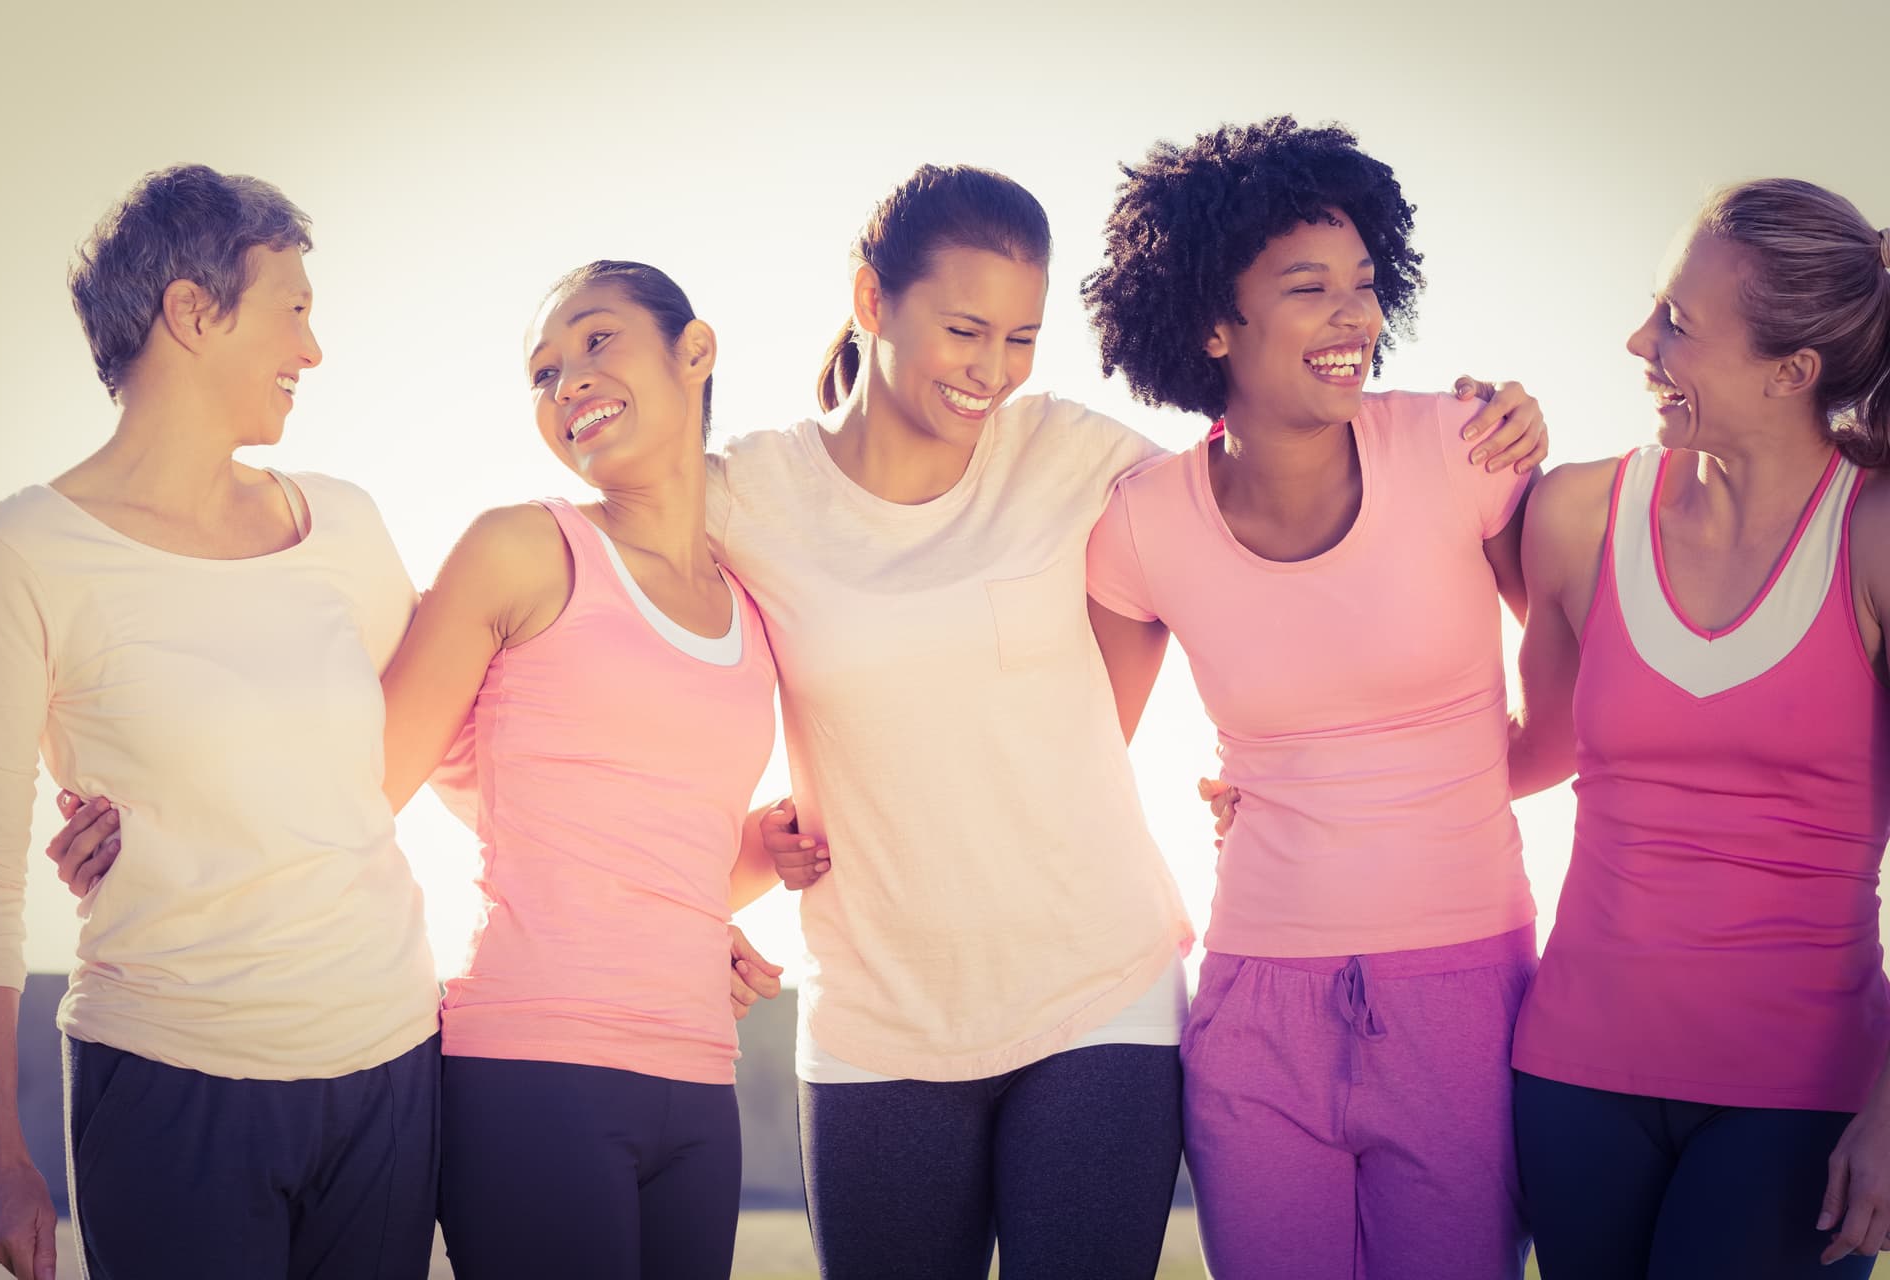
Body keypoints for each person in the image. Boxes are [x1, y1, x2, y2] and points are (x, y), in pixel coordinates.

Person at [736, 160, 1546, 1279]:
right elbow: (626, 667)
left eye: (1020, 338)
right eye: (966, 329)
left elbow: (1252, 561)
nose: (993, 371)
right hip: (877, 1000)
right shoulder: (752, 494)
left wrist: (1325, 781)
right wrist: (709, 876)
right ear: (872, 299)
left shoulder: (1079, 459)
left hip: (1099, 987)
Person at [45, 260, 789, 1280]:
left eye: (596, 341)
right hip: (535, 1065)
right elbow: (361, 778)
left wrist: (758, 856)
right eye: (541, 370)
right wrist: (158, 823)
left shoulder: (751, 598)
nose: (566, 379)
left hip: (702, 1072)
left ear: (694, 352)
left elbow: (649, 843)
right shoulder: (522, 549)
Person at [1078, 117, 1540, 1280]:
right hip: (1253, 1008)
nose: (1357, 318)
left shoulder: (1461, 447)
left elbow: (1600, 696)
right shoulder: (1143, 522)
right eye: (1308, 288)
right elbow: (1076, 749)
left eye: (1366, 284)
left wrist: (1435, 788)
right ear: (1212, 323)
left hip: (1461, 992)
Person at [0, 165, 440, 1280]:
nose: (313, 350)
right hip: (168, 1076)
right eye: (294, 308)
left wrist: (677, 900)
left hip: (389, 1063)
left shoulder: (345, 522)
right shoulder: (24, 553)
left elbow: (453, 745)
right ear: (192, 310)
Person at [1506, 180, 1890, 1278]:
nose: (1641, 338)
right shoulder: (1580, 513)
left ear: (1792, 370)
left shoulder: (1873, 534)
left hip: (1798, 1100)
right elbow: (1528, 752)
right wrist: (1296, 767)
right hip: (1575, 1078)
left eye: (1677, 321)